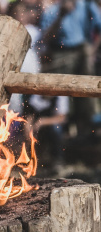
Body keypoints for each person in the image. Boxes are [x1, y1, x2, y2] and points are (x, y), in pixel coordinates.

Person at [40, 0, 101, 136]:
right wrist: (60, 16)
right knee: (58, 94)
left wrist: (92, 50)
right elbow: (46, 38)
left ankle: (87, 130)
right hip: (61, 54)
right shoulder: (51, 11)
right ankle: (59, 131)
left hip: (82, 51)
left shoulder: (86, 5)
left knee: (86, 93)